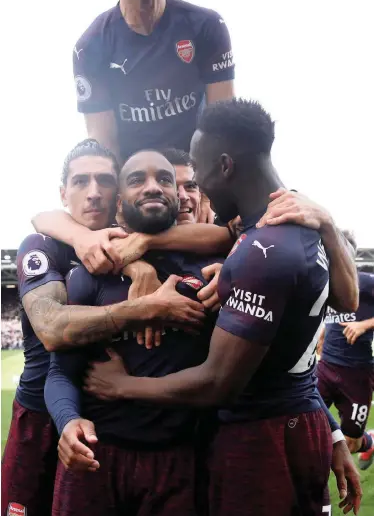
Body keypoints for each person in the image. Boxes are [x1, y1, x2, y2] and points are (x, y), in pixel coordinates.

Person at [83, 99, 363, 516]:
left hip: (258, 436)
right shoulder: (292, 219)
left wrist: (119, 386)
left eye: (195, 176)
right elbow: (342, 302)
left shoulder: (262, 249)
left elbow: (220, 382)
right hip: (280, 424)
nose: (188, 192)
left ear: (225, 166)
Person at [1, 140, 204, 516]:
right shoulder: (45, 244)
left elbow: (218, 234)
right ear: (63, 193)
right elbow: (51, 328)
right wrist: (144, 308)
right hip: (44, 416)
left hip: (105, 426)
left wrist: (137, 260)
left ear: (119, 194)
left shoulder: (131, 246)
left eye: (104, 181)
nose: (93, 193)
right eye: (80, 182)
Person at [44, 149, 225, 516]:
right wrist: (68, 420)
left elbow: (244, 368)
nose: (153, 187)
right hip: (98, 457)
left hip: (179, 462)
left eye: (164, 179)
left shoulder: (215, 273)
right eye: (136, 180)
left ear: (179, 196)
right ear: (119, 203)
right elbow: (61, 372)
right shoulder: (91, 274)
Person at [74, 0, 235, 222]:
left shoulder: (206, 26)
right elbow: (105, 147)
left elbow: (222, 128)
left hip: (194, 177)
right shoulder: (92, 46)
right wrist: (120, 214)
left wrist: (210, 197)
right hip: (139, 185)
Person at [317, 243, 374, 471]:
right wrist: (322, 334)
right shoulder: (329, 281)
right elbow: (333, 315)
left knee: (352, 442)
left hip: (357, 374)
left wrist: (364, 325)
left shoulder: (366, 280)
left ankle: (369, 442)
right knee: (301, 419)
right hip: (326, 366)